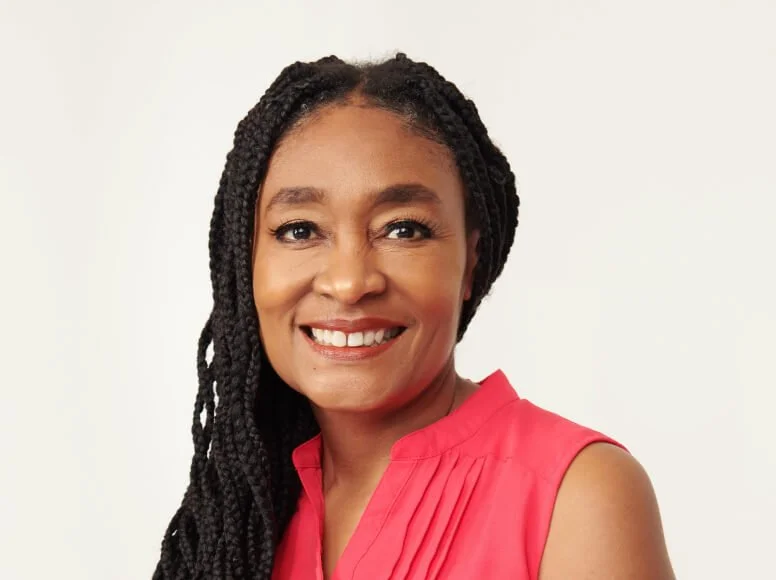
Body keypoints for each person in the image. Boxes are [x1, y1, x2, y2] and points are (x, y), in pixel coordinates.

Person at [152, 53, 674, 580]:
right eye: (300, 230)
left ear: (470, 262)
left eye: (403, 229)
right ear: (245, 264)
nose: (350, 282)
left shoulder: (576, 497)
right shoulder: (243, 520)